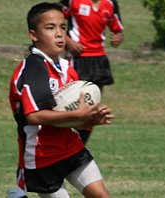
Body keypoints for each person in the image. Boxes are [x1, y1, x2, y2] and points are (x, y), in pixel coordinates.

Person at [8, 2, 114, 198]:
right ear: (34, 35)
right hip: (42, 158)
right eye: (50, 28)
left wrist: (89, 120)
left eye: (63, 27)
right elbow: (34, 116)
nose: (59, 34)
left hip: (71, 147)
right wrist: (77, 114)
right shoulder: (33, 68)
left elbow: (68, 119)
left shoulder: (67, 69)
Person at [59, 0, 123, 144]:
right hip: (77, 59)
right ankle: (64, 145)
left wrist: (118, 38)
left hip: (99, 60)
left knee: (91, 108)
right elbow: (54, 21)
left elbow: (117, 31)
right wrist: (68, 42)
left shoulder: (110, 3)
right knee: (70, 105)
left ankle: (80, 145)